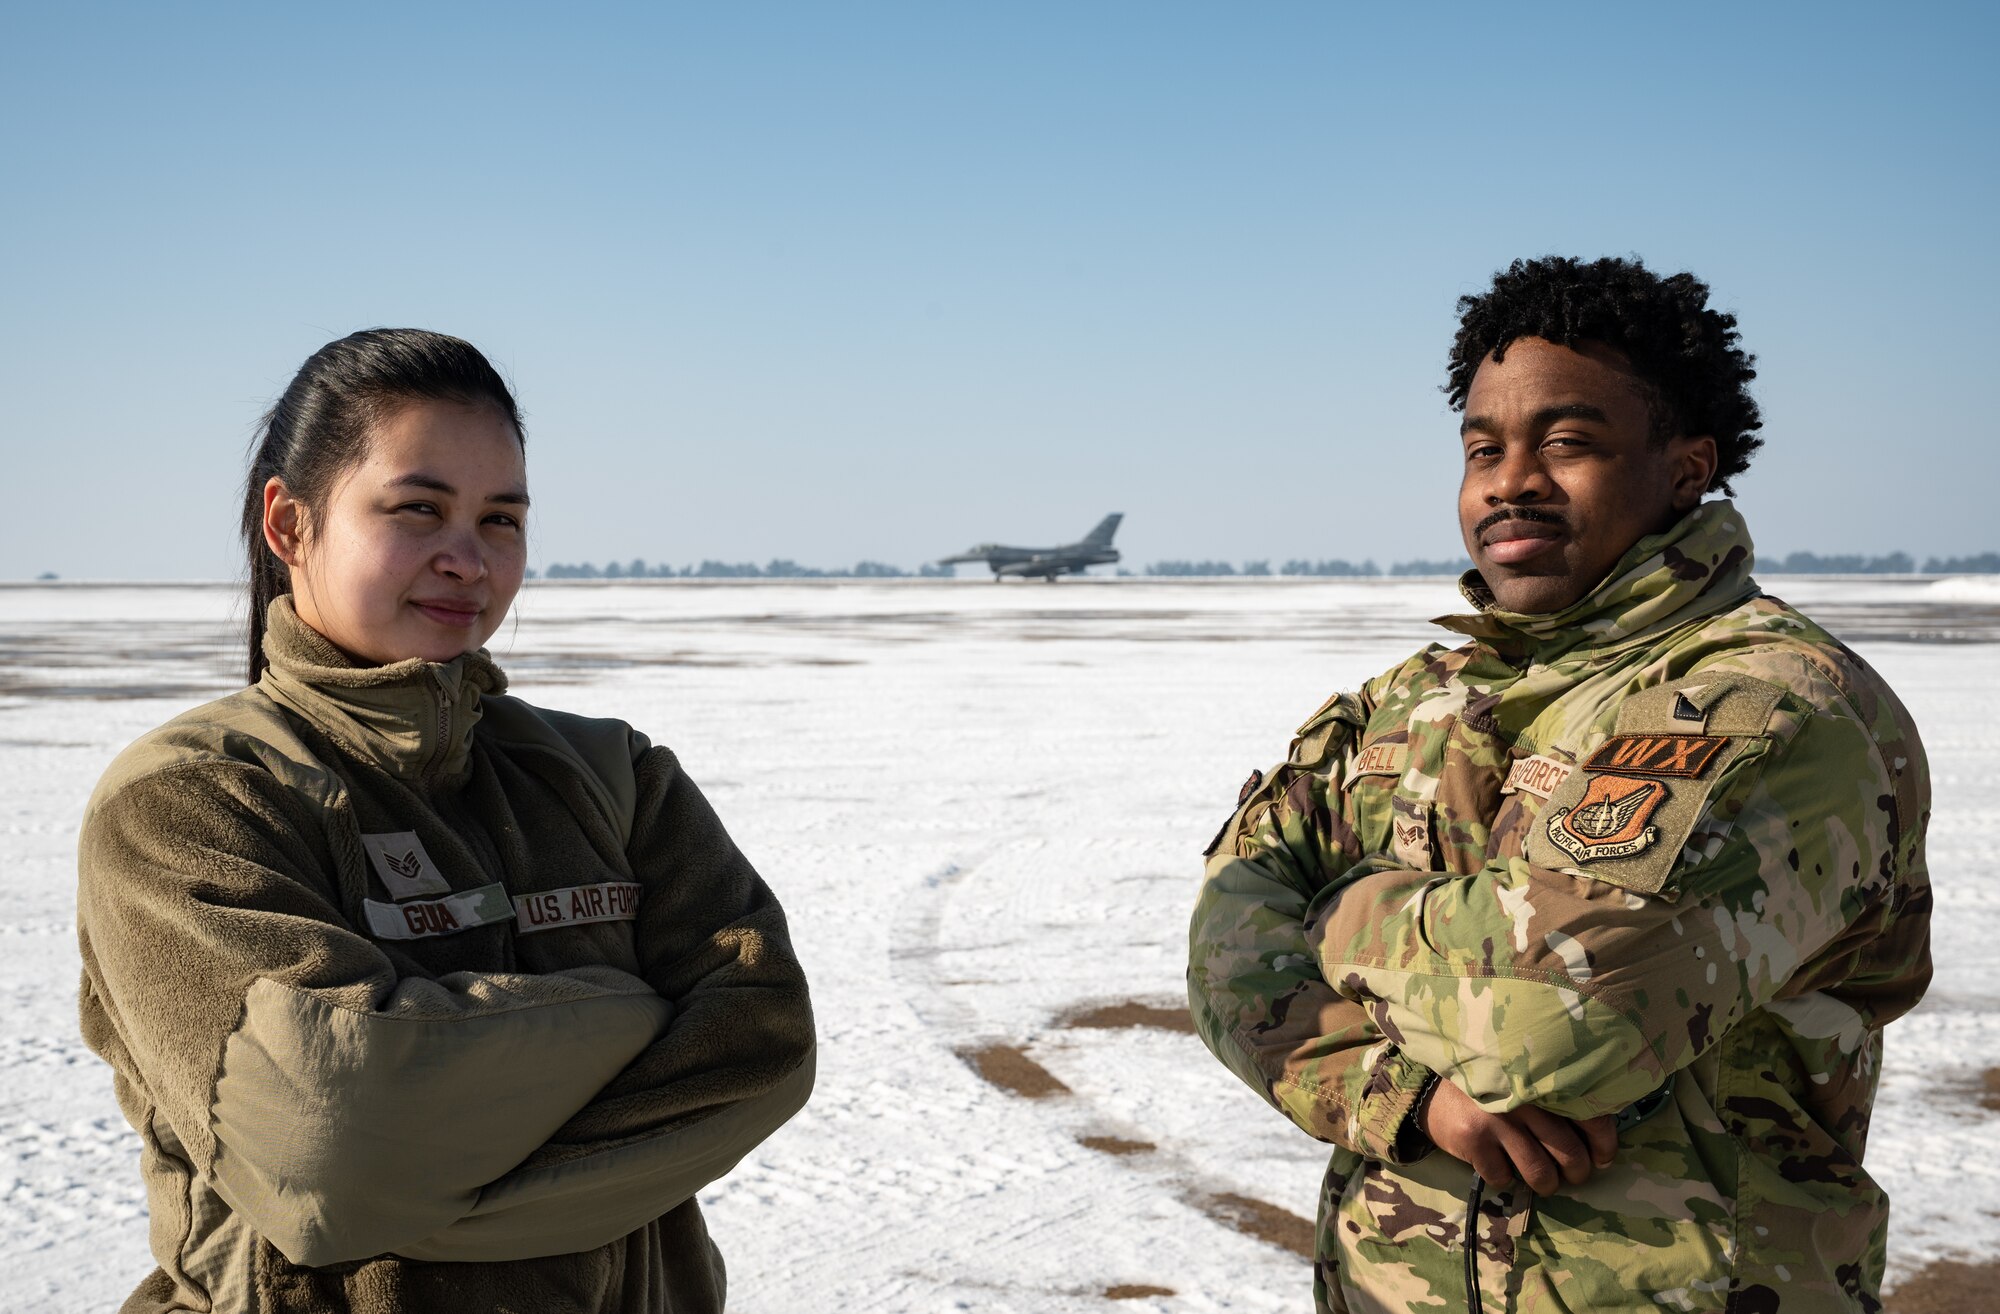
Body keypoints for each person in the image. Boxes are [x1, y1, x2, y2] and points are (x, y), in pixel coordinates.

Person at [1188, 257, 1930, 1312]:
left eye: (1566, 443)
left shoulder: (1764, 706)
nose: (1509, 481)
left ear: (1685, 469)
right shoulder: (1408, 704)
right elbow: (1222, 940)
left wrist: (1337, 908)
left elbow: (1549, 1028)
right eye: (1481, 450)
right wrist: (1403, 1099)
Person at [76, 329, 816, 1314]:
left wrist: (415, 1173)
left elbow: (762, 1039)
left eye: (501, 518)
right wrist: (638, 1013)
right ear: (290, 524)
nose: (467, 559)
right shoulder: (188, 801)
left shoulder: (611, 775)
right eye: (417, 509)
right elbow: (331, 1139)